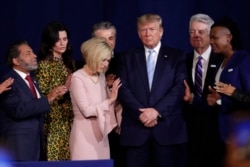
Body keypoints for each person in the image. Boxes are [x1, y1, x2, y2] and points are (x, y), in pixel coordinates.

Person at [118, 13, 187, 167]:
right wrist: (141, 113)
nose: (147, 33)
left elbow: (179, 88)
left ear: (161, 31)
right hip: (136, 130)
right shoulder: (127, 57)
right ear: (138, 33)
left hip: (167, 131)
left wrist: (156, 111)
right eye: (143, 30)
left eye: (152, 29)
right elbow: (123, 88)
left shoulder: (177, 56)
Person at [0, 40, 67, 161]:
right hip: (19, 148)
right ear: (16, 61)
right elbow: (18, 110)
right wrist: (47, 99)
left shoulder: (33, 80)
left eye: (33, 52)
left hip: (36, 146)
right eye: (28, 53)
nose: (34, 55)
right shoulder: (8, 81)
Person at [69, 37, 121, 160]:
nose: (106, 64)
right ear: (93, 56)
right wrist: (111, 99)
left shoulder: (102, 76)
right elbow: (87, 111)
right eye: (103, 60)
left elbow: (103, 104)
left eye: (108, 60)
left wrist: (110, 92)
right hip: (83, 136)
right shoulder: (77, 78)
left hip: (101, 135)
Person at [183, 13, 224, 167]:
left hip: (216, 132)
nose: (196, 35)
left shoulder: (222, 60)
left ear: (210, 35)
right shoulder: (182, 61)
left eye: (201, 32)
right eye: (192, 32)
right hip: (189, 133)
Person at [207, 17, 250, 151]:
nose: (211, 42)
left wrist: (233, 93)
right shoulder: (220, 61)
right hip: (223, 131)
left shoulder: (244, 60)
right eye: (210, 38)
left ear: (228, 37)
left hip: (241, 133)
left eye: (214, 38)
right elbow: (222, 99)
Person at [35, 21, 75, 160]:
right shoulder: (44, 65)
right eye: (58, 40)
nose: (62, 43)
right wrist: (63, 90)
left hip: (70, 120)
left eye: (65, 39)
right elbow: (41, 98)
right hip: (53, 123)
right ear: (50, 41)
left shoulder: (69, 63)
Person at [90, 21, 124, 167]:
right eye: (103, 40)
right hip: (93, 128)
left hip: (119, 129)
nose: (108, 43)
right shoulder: (82, 66)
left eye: (111, 38)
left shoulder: (125, 61)